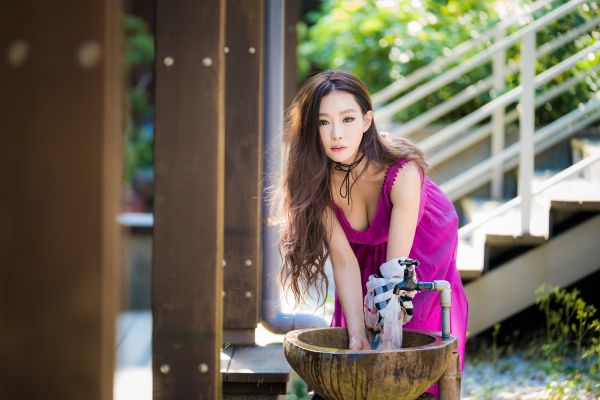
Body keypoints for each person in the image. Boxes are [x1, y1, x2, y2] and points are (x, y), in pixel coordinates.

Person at [273, 70, 468, 397]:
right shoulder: (317, 183)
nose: (336, 134)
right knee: (354, 338)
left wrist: (386, 346)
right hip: (362, 249)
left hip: (418, 247)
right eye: (324, 123)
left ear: (367, 121)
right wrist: (357, 339)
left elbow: (395, 274)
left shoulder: (402, 171)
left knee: (411, 336)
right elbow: (344, 262)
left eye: (347, 119)